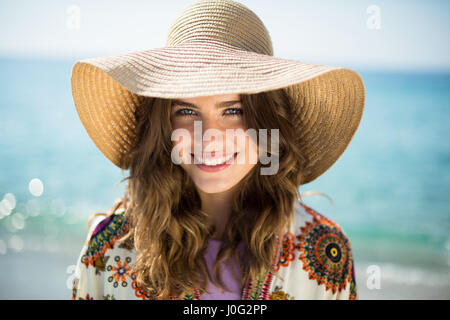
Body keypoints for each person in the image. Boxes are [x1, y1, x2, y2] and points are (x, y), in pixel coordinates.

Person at [70, 0, 364, 300]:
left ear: (267, 122)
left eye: (233, 110)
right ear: (164, 126)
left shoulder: (325, 251)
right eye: (186, 110)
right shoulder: (111, 247)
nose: (209, 137)